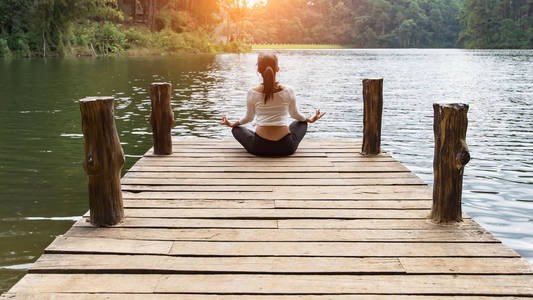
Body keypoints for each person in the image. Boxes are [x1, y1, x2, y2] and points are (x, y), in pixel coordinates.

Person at [220, 53, 326, 156]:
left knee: (237, 129)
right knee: (302, 123)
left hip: (259, 147)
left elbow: (249, 118)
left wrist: (232, 124)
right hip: (286, 147)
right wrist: (310, 119)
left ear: (258, 70)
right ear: (277, 69)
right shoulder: (289, 91)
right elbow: (295, 115)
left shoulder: (252, 93)